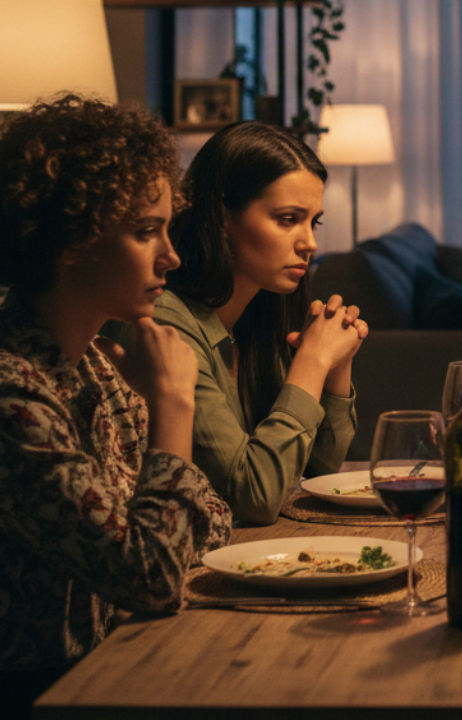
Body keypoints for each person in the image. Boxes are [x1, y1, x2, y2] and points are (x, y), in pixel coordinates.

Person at [0, 96, 231, 714]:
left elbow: (213, 517)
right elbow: (152, 576)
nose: (171, 256)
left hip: (113, 667)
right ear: (71, 240)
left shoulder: (97, 365)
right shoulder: (14, 396)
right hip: (42, 694)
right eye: (145, 231)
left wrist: (157, 524)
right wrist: (173, 403)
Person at [159, 122, 366, 524]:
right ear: (222, 217)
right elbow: (255, 497)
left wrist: (336, 367)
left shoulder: (260, 315)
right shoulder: (169, 324)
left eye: (313, 222)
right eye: (288, 219)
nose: (310, 243)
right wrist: (312, 363)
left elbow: (318, 474)